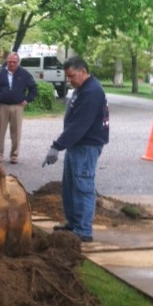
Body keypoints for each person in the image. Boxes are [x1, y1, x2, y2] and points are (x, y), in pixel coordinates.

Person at [42, 55, 109, 242]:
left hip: (87, 146)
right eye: (67, 77)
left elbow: (79, 125)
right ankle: (73, 224)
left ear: (83, 72)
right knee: (70, 187)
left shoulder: (92, 92)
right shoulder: (82, 89)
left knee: (83, 187)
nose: (69, 80)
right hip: (77, 145)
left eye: (71, 76)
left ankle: (83, 231)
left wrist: (57, 146)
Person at [0, 52, 37, 164]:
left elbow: (33, 88)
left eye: (14, 62)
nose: (11, 64)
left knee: (16, 132)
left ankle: (14, 155)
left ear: (18, 62)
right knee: (0, 131)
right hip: (2, 106)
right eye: (10, 61)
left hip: (17, 106)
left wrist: (27, 99)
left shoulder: (24, 74)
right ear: (7, 61)